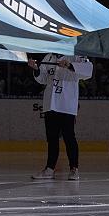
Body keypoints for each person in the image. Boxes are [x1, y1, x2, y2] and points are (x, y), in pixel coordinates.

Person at [29, 53, 93, 181]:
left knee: (69, 137)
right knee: (52, 138)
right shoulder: (49, 57)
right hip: (51, 103)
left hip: (66, 103)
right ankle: (49, 169)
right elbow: (43, 78)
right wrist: (35, 69)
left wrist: (70, 65)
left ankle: (74, 169)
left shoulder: (75, 56)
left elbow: (88, 71)